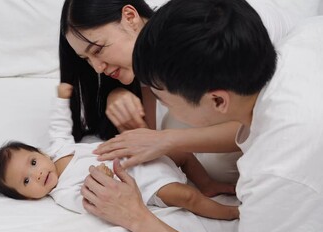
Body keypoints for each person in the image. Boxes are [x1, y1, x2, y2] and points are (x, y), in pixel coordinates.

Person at [82, 0, 323, 232]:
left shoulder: (276, 168)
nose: (164, 107)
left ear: (217, 101)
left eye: (164, 100)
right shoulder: (306, 35)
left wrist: (135, 217)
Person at [0, 83, 239, 222]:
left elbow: (59, 125)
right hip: (146, 183)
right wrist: (101, 178)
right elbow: (90, 203)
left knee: (183, 153)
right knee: (186, 197)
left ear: (39, 152)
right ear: (27, 198)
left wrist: (61, 100)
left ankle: (207, 183)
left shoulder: (59, 147)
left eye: (32, 162)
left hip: (142, 155)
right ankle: (228, 213)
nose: (37, 174)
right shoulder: (63, 194)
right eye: (26, 181)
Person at [59, 0, 243, 185]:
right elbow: (146, 140)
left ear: (130, 17)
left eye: (97, 50)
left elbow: (255, 126)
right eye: (86, 59)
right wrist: (117, 95)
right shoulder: (145, 67)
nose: (97, 68)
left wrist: (167, 140)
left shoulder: (199, 40)